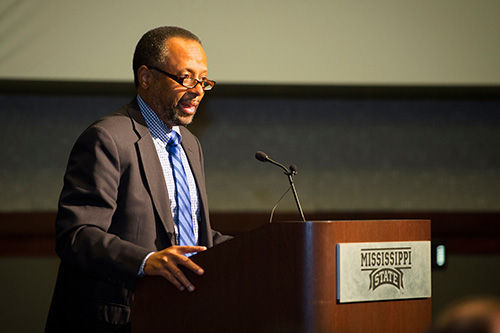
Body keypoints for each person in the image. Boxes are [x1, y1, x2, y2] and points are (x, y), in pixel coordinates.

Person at [45, 26, 232, 332]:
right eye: (186, 78)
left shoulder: (190, 144)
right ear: (146, 78)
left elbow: (193, 236)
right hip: (119, 318)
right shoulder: (107, 138)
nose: (197, 90)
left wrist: (261, 249)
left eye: (203, 81)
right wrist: (146, 261)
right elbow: (77, 235)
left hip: (183, 313)